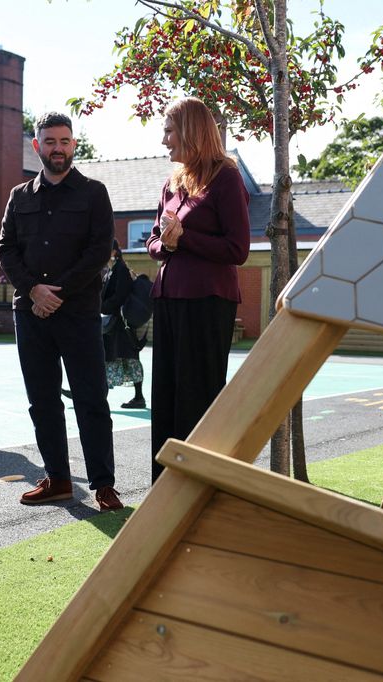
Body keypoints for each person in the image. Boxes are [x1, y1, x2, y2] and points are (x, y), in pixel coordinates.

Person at [0, 112, 122, 511]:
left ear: (74, 145)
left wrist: (57, 293)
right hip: (30, 313)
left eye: (64, 141)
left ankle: (103, 485)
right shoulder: (20, 196)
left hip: (78, 312)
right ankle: (57, 480)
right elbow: (6, 248)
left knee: (91, 398)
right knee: (43, 400)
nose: (57, 148)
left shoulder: (94, 193)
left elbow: (99, 250)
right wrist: (33, 289)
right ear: (37, 146)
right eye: (49, 141)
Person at [146, 97, 250, 483]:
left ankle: (198, 488)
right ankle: (164, 487)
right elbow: (154, 244)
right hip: (169, 300)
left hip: (207, 302)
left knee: (198, 399)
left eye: (169, 131)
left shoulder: (226, 178)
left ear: (189, 131)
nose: (164, 141)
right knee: (167, 398)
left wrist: (185, 238)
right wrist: (168, 243)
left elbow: (237, 250)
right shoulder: (170, 184)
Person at [101, 239, 146, 409]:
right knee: (114, 358)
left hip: (122, 324)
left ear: (113, 251)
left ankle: (139, 397)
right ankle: (102, 394)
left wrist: (102, 307)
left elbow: (120, 295)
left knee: (127, 359)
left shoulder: (120, 269)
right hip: (117, 323)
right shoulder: (113, 269)